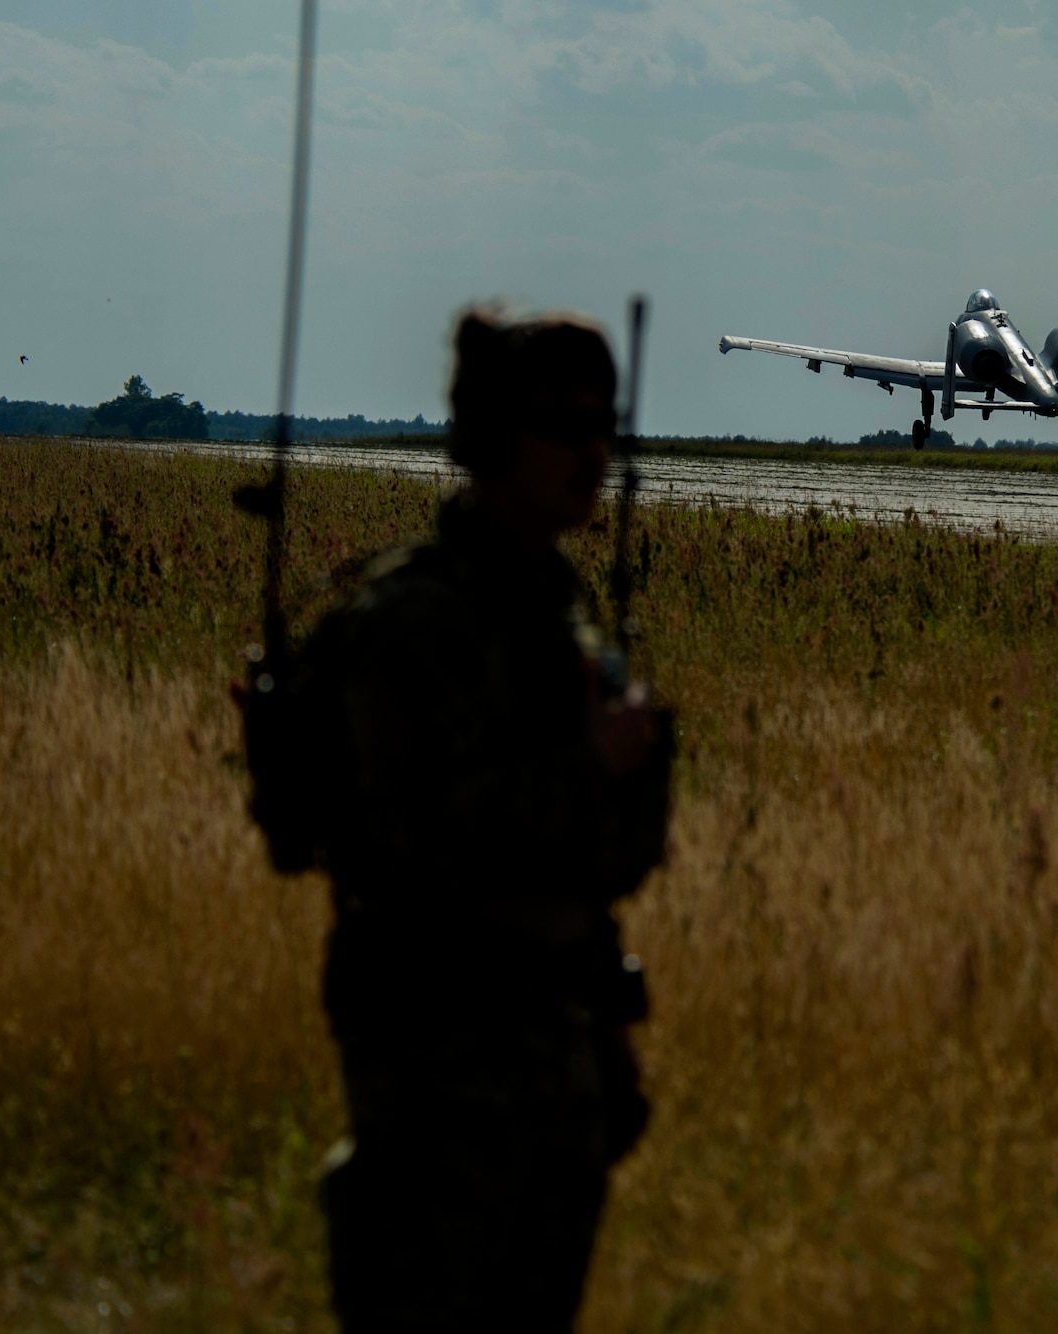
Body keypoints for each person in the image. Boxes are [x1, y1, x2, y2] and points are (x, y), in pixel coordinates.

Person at [291, 308, 673, 1332]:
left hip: (554, 1043)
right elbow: (415, 838)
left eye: (605, 423)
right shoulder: (418, 619)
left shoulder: (555, 609)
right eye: (562, 423)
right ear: (494, 434)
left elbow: (589, 856)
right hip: (442, 1053)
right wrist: (588, 763)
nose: (594, 451)